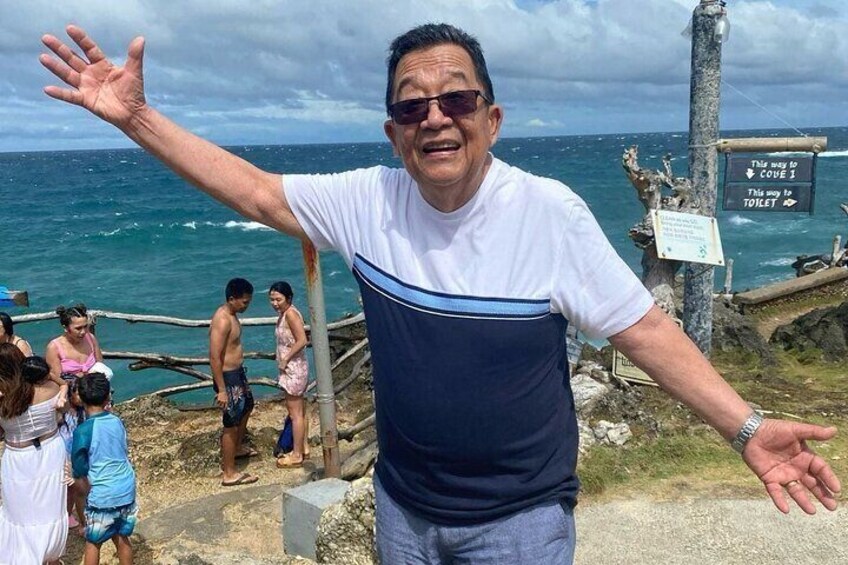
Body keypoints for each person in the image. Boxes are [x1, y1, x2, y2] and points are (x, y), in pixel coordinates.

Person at [40, 22, 841, 564]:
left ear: (491, 119)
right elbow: (254, 190)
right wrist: (136, 118)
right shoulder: (369, 201)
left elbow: (645, 330)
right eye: (411, 105)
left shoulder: (549, 214)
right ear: (393, 132)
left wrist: (746, 428)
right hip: (403, 509)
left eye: (456, 99)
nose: (435, 117)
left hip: (520, 523)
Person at [0, 347, 69, 565]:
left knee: (19, 512)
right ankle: (51, 556)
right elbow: (64, 394)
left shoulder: (5, 399)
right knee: (50, 508)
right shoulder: (49, 389)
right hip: (50, 450)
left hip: (17, 457)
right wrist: (52, 377)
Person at [45, 302, 104, 531]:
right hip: (70, 412)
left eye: (85, 326)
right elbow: (54, 380)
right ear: (65, 327)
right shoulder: (55, 347)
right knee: (72, 463)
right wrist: (75, 387)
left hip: (94, 407)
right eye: (78, 328)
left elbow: (101, 368)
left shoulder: (91, 339)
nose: (83, 332)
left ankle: (93, 506)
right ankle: (68, 512)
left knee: (94, 458)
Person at [71, 372, 136, 565]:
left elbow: (79, 467)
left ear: (80, 399)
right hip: (125, 487)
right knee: (122, 536)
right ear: (108, 397)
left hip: (102, 493)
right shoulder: (116, 421)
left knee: (93, 541)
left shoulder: (83, 430)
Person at [210, 277, 258, 487]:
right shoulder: (222, 320)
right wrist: (221, 389)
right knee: (231, 422)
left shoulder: (232, 315)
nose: (247, 306)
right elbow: (214, 356)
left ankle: (237, 448)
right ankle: (229, 473)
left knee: (247, 406)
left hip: (237, 373)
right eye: (244, 302)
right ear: (232, 299)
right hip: (228, 377)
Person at [269, 281, 311, 468]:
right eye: (272, 300)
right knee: (300, 411)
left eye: (278, 299)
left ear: (289, 298)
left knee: (295, 414)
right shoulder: (285, 314)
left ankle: (297, 454)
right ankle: (304, 447)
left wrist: (285, 358)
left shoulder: (291, 314)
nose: (275, 303)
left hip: (294, 369)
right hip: (293, 368)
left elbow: (302, 340)